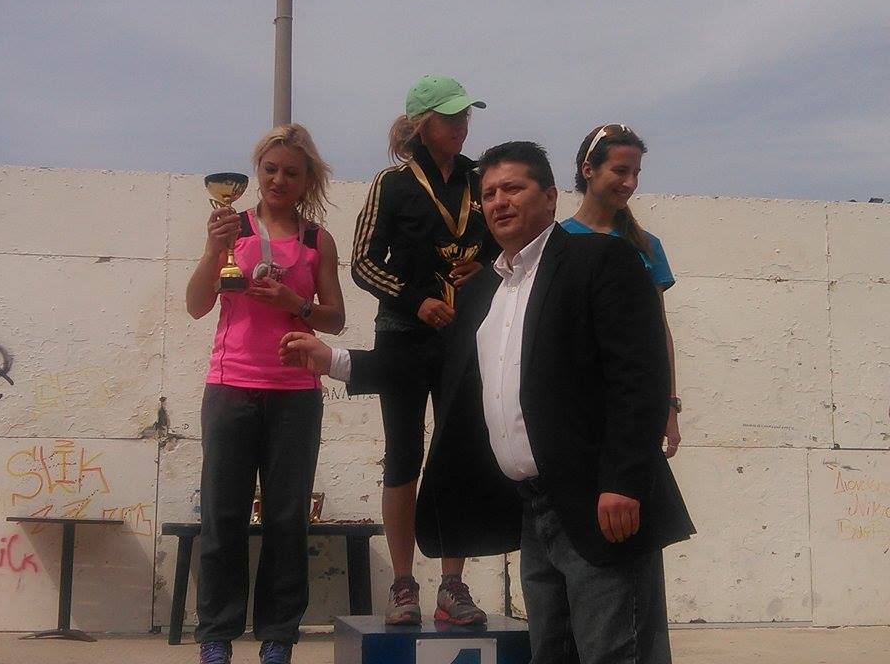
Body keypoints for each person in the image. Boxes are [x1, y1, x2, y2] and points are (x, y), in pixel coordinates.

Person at [283, 141, 694, 663]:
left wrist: (624, 482)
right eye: (490, 193)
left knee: (615, 654)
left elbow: (640, 376)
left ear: (550, 197)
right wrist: (336, 360)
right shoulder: (484, 292)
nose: (500, 202)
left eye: (513, 188)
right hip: (534, 511)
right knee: (552, 654)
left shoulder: (601, 260)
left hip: (602, 504)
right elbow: (431, 370)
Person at [186, 124, 345, 664]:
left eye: (291, 173)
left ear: (308, 180)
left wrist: (293, 303)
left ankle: (278, 637)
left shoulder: (317, 240)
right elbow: (196, 305)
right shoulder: (232, 228)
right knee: (223, 516)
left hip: (295, 393)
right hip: (230, 386)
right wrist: (213, 250)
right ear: (256, 171)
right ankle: (216, 637)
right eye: (270, 169)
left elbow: (336, 319)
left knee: (286, 518)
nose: (279, 180)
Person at [349, 74, 496, 626]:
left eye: (465, 116)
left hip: (466, 334)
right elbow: (363, 262)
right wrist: (416, 301)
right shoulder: (391, 184)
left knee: (459, 454)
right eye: (450, 116)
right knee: (403, 455)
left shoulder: (482, 180)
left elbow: (506, 247)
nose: (461, 126)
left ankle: (452, 585)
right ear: (421, 124)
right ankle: (404, 584)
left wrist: (483, 267)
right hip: (404, 335)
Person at [561, 124, 682, 458]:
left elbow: (658, 330)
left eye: (636, 173)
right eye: (620, 171)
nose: (630, 182)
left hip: (633, 404)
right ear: (588, 169)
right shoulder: (557, 243)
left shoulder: (647, 246)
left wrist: (669, 405)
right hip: (571, 405)